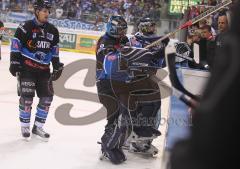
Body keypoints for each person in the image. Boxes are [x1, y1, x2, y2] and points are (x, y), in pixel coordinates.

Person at [169, 3, 240, 169]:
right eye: (220, 23)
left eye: (224, 23)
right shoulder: (225, 40)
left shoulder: (232, 44)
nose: (221, 26)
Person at [9, 0, 64, 141]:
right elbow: (16, 45)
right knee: (27, 99)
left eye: (48, 11)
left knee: (47, 98)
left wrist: (57, 65)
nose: (47, 13)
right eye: (44, 11)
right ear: (36, 11)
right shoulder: (25, 27)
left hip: (44, 70)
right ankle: (25, 126)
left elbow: (54, 51)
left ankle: (38, 126)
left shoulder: (53, 30)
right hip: (27, 68)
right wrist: (14, 62)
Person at [127, 17, 169, 154]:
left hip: (150, 79)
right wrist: (157, 51)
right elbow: (140, 60)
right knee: (140, 111)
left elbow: (160, 64)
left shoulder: (156, 41)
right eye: (151, 26)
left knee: (154, 112)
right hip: (136, 80)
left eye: (154, 26)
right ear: (143, 26)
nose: (154, 29)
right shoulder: (134, 40)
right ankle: (132, 139)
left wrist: (164, 48)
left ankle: (144, 140)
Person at [96, 15, 129, 164]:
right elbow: (107, 61)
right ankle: (107, 145)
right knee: (115, 113)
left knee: (124, 114)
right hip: (105, 84)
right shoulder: (104, 42)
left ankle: (116, 143)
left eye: (124, 30)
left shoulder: (124, 40)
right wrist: (122, 54)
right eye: (120, 30)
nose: (123, 33)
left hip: (121, 83)